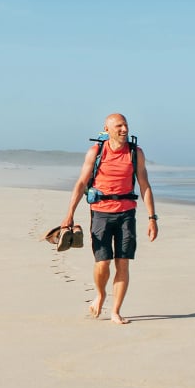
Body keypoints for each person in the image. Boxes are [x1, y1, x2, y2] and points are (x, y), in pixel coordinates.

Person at [61, 112, 157, 323]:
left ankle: (115, 311)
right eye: (119, 126)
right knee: (102, 263)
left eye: (126, 125)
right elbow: (81, 183)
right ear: (107, 129)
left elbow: (144, 184)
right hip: (101, 213)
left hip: (126, 214)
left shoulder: (135, 153)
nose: (124, 129)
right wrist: (69, 214)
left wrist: (152, 218)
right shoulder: (96, 152)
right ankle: (100, 294)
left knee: (123, 263)